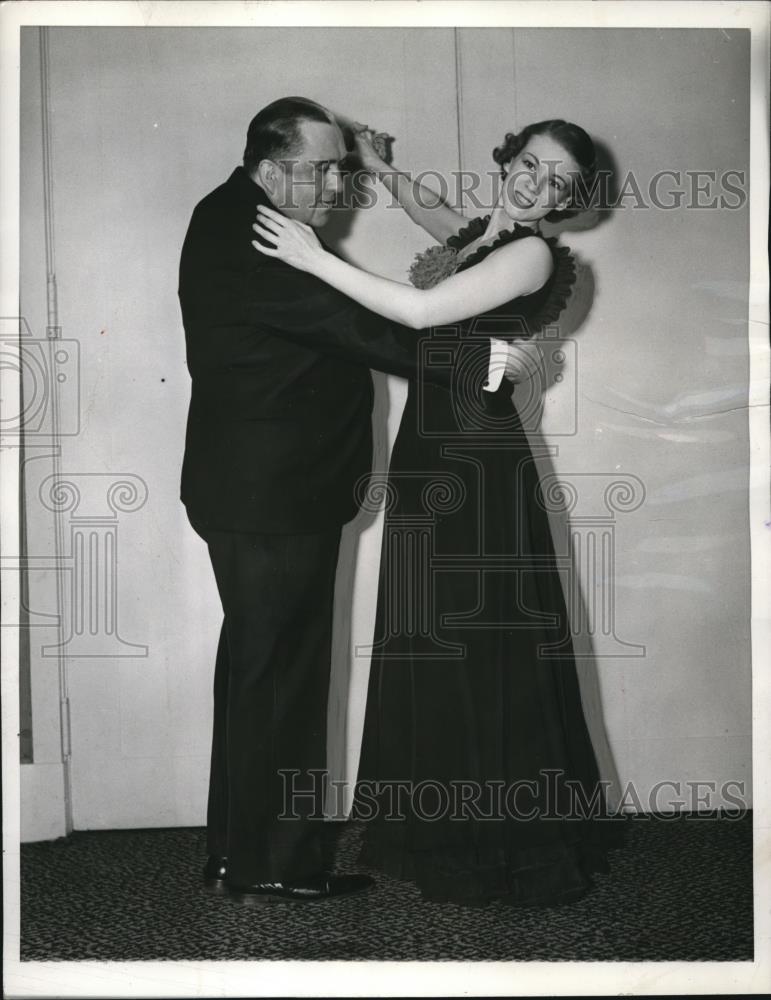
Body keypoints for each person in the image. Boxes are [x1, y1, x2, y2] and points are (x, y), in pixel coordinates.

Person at [252, 118, 626, 906]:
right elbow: (432, 214)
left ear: (567, 198)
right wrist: (382, 168)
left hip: (473, 458)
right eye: (527, 163)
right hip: (436, 446)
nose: (533, 183)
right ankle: (448, 823)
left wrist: (314, 258)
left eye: (554, 180)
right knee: (442, 634)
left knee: (471, 638)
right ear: (508, 160)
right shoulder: (484, 236)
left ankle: (494, 840)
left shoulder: (528, 254)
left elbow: (419, 316)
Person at [178, 96, 530, 905]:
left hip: (258, 491)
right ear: (270, 170)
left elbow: (338, 319)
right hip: (275, 496)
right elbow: (358, 329)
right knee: (282, 676)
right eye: (324, 169)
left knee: (258, 671)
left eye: (342, 167)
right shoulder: (256, 234)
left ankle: (238, 852)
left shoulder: (233, 214)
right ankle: (275, 865)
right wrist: (477, 361)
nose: (338, 187)